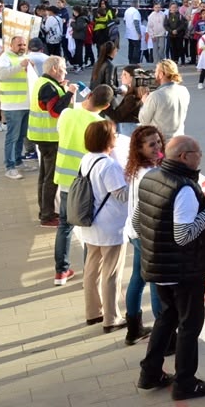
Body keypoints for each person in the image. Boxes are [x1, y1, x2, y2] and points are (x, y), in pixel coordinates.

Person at [135, 135, 205, 401]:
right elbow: (183, 236)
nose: (201, 157)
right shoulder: (183, 189)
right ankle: (185, 382)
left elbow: (138, 222)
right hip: (183, 271)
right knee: (189, 325)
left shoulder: (150, 177)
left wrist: (156, 249)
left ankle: (150, 373)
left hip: (158, 266)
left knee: (167, 317)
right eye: (199, 152)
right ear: (184, 156)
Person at [53, 85, 115, 285]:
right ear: (106, 106)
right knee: (89, 227)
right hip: (87, 184)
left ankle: (61, 272)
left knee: (64, 226)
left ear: (88, 95)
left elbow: (59, 132)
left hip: (64, 179)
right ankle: (90, 273)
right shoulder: (100, 124)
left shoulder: (67, 114)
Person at [77, 120, 130, 333]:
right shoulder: (108, 165)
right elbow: (122, 194)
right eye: (114, 135)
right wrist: (134, 182)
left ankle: (93, 312)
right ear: (107, 140)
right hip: (110, 226)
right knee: (111, 274)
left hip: (90, 223)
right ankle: (111, 318)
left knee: (91, 269)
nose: (116, 137)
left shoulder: (87, 159)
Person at [123, 125, 164, 345]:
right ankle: (163, 336)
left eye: (158, 141)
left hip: (135, 231)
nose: (158, 146)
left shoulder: (138, 168)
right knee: (157, 283)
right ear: (140, 149)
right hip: (146, 235)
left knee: (138, 278)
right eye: (151, 144)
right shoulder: (151, 173)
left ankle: (133, 329)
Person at [30, 57, 76, 226]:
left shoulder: (44, 82)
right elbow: (56, 111)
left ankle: (45, 211)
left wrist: (63, 88)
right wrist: (70, 92)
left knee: (44, 176)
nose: (66, 70)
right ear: (55, 69)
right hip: (50, 138)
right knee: (50, 178)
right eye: (63, 68)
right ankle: (47, 215)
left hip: (43, 136)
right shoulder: (48, 87)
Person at [0, 35, 32, 180]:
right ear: (11, 45)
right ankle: (9, 167)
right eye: (19, 45)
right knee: (12, 136)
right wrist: (20, 66)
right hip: (12, 105)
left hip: (25, 103)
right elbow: (2, 75)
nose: (22, 47)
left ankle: (18, 161)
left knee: (21, 135)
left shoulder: (25, 57)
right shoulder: (5, 57)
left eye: (24, 44)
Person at [138, 60, 192, 139]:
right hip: (179, 138)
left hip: (161, 141)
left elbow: (143, 120)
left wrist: (145, 102)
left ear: (161, 74)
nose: (154, 74)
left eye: (156, 71)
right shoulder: (184, 90)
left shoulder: (155, 96)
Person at [124, 0, 143, 64]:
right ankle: (135, 62)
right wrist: (139, 33)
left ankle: (130, 62)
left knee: (131, 48)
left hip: (129, 33)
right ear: (137, 4)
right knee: (136, 49)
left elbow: (124, 21)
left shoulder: (127, 10)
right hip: (135, 34)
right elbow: (136, 23)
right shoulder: (136, 12)